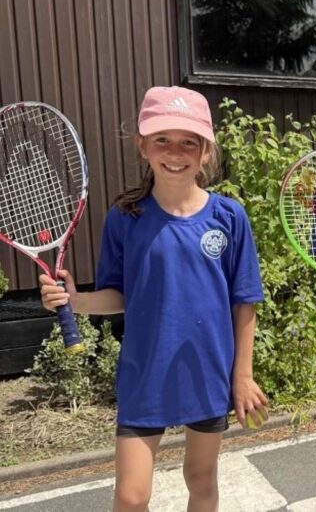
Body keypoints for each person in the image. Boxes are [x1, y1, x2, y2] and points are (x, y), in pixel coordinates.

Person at [39, 86, 268, 512]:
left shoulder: (229, 217)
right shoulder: (126, 217)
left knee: (200, 480)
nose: (175, 151)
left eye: (189, 141)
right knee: (131, 496)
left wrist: (243, 375)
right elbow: (119, 295)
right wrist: (76, 301)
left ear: (206, 151)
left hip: (208, 371)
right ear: (143, 145)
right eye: (162, 138)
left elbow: (245, 301)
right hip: (145, 373)